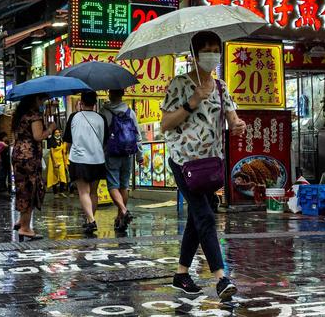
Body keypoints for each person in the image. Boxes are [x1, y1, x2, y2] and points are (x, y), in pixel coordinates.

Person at [160, 31, 246, 300]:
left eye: (215, 49)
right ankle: (221, 278)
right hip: (184, 162)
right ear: (194, 55)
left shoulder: (221, 87)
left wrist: (238, 125)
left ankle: (181, 274)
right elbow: (165, 124)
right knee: (206, 216)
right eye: (206, 50)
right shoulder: (179, 85)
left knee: (197, 219)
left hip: (210, 164)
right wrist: (192, 101)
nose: (212, 55)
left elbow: (232, 119)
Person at [64, 91, 129, 235]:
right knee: (93, 192)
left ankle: (91, 220)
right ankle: (89, 220)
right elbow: (105, 141)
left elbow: (68, 140)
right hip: (98, 159)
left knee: (83, 192)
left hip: (79, 159)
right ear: (95, 103)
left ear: (81, 101)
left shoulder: (74, 117)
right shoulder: (101, 118)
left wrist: (68, 152)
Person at [12, 94, 56, 241]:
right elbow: (38, 136)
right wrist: (50, 129)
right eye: (41, 99)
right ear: (35, 100)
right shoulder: (34, 116)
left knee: (22, 187)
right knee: (31, 189)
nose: (42, 102)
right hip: (30, 157)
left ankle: (21, 221)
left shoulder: (20, 115)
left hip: (18, 154)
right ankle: (25, 227)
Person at [99, 89, 142, 231]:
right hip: (128, 154)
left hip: (112, 153)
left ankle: (123, 211)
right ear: (122, 94)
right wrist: (139, 155)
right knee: (124, 186)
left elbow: (101, 134)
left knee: (113, 185)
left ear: (110, 94)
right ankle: (120, 218)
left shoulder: (104, 112)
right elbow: (137, 135)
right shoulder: (130, 112)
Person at [46, 129, 68, 194]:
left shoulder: (61, 140)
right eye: (56, 132)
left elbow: (63, 152)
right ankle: (55, 193)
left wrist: (65, 162)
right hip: (53, 161)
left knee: (62, 176)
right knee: (54, 176)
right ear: (53, 134)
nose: (58, 134)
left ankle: (61, 192)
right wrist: (55, 162)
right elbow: (52, 153)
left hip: (61, 160)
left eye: (58, 132)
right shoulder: (51, 141)